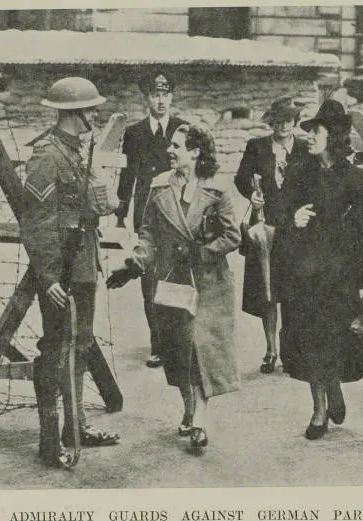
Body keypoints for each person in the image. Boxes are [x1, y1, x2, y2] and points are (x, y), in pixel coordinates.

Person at [108, 124, 241, 451]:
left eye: (178, 146)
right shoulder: (158, 187)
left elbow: (233, 236)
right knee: (179, 352)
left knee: (201, 351)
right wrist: (136, 262)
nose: (170, 150)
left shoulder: (218, 190)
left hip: (208, 283)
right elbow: (148, 233)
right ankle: (189, 407)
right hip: (171, 279)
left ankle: (200, 422)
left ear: (195, 152)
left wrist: (205, 251)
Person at [20, 77, 120, 468]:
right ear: (73, 113)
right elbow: (36, 223)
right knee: (55, 352)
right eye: (90, 109)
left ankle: (74, 428)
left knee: (80, 346)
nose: (95, 115)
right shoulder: (47, 156)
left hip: (82, 265)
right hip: (60, 270)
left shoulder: (79, 151)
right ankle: (49, 442)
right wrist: (47, 278)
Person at [272, 100, 363, 440]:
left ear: (334, 135)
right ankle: (319, 409)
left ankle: (333, 384)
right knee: (309, 342)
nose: (309, 137)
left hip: (341, 277)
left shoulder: (356, 179)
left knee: (333, 340)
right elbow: (278, 213)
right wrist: (293, 220)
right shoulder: (298, 172)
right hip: (304, 275)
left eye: (316, 130)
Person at [116, 69, 188, 369]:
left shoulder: (183, 130)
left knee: (176, 276)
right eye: (156, 95)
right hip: (146, 215)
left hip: (175, 213)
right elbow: (127, 177)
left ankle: (177, 341)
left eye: (166, 94)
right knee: (149, 281)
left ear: (172, 97)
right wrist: (120, 215)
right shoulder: (134, 134)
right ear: (147, 98)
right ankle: (157, 344)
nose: (161, 101)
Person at [234, 96, 309, 374]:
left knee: (292, 291)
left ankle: (289, 350)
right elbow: (241, 178)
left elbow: (313, 184)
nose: (283, 126)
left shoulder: (303, 150)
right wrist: (252, 195)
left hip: (294, 228)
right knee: (268, 292)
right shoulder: (257, 147)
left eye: (288, 121)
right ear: (272, 123)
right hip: (264, 227)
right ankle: (270, 350)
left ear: (295, 122)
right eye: (278, 121)